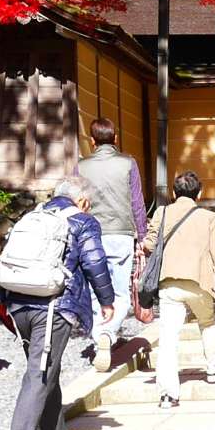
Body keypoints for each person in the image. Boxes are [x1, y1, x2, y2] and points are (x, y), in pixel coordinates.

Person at [0, 174, 114, 430]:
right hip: (52, 305)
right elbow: (94, 262)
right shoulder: (84, 221)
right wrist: (107, 300)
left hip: (18, 302)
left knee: (47, 369)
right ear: (83, 200)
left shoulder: (33, 216)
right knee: (39, 374)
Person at [143, 170, 215, 408]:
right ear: (200, 193)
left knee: (168, 338)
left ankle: (168, 394)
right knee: (207, 322)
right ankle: (213, 369)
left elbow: (150, 244)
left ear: (175, 192)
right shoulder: (208, 217)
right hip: (199, 282)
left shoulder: (161, 212)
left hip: (169, 283)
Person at [74, 117, 147, 371]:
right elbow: (137, 202)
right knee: (120, 293)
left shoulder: (81, 166)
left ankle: (99, 339)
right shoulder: (128, 163)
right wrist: (142, 234)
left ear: (92, 141)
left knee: (95, 291)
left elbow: (74, 201)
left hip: (90, 236)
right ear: (115, 139)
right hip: (121, 234)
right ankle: (108, 333)